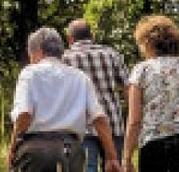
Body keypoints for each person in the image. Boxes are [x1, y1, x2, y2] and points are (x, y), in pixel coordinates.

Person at [8, 27, 121, 172]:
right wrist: (111, 156)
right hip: (72, 152)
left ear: (38, 52)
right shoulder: (80, 77)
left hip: (36, 151)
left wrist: (12, 148)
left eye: (30, 55)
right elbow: (99, 118)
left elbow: (24, 115)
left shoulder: (30, 73)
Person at [122, 16, 179, 172]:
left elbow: (134, 121)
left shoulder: (141, 70)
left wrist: (127, 157)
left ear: (146, 43)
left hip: (154, 148)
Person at [63, 19, 130, 172]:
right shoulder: (111, 54)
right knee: (114, 167)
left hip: (81, 127)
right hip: (113, 123)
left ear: (70, 39)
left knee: (89, 168)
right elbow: (128, 88)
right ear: (92, 36)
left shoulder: (65, 59)